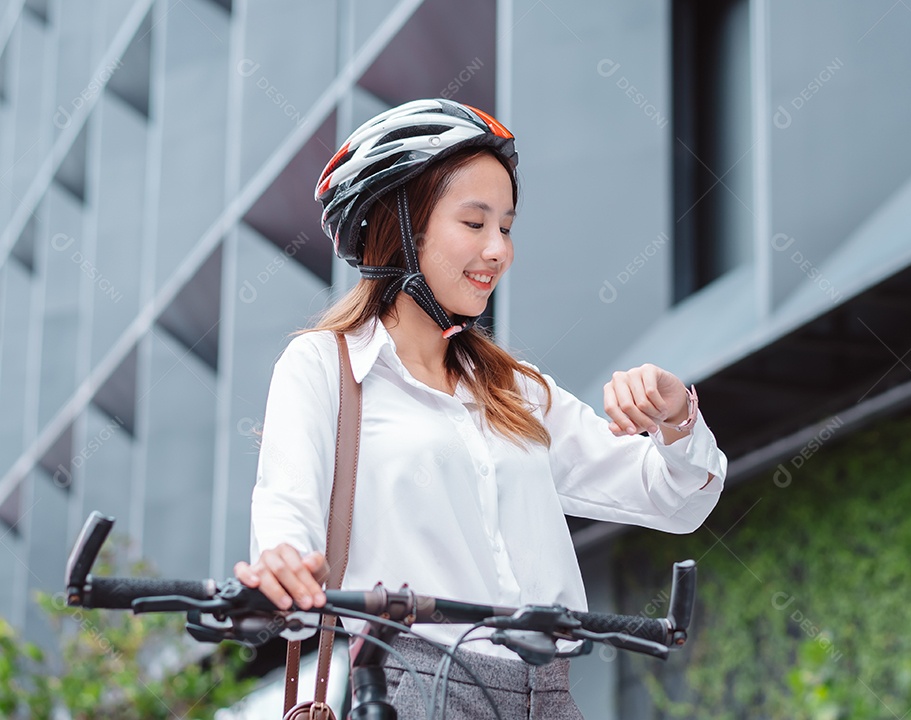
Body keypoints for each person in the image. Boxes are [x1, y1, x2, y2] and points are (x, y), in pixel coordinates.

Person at [234, 98, 727, 718]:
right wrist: (281, 561)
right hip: (413, 685)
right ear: (398, 227)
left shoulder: (515, 388)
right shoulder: (324, 367)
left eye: (507, 227)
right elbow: (286, 509)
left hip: (548, 693)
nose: (499, 250)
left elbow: (675, 499)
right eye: (474, 223)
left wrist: (676, 415)